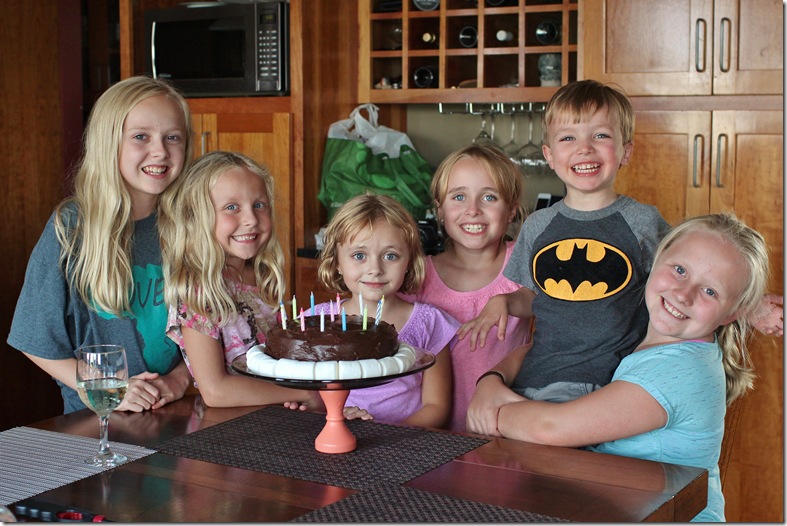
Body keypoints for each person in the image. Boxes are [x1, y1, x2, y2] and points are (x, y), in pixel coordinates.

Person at [475, 213, 772, 522]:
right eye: (680, 270)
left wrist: (491, 410)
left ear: (731, 314)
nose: (683, 295)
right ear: (655, 259)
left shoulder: (679, 371)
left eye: (710, 291)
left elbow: (548, 428)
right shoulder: (646, 331)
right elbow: (548, 350)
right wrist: (491, 382)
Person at [462, 79, 671, 407]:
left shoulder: (643, 221)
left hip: (612, 384)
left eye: (600, 136)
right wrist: (505, 302)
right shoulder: (538, 225)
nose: (584, 148)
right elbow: (538, 297)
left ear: (626, 151)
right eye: (568, 138)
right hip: (538, 377)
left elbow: (684, 281)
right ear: (549, 155)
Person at [8, 76, 195, 413]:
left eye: (173, 137)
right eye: (141, 136)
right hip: (96, 420)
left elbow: (219, 330)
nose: (160, 151)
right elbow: (32, 339)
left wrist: (180, 380)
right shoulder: (71, 227)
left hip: (178, 412)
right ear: (108, 143)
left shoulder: (194, 225)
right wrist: (109, 388)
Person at [160, 150, 318, 409]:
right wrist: (304, 393)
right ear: (196, 217)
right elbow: (216, 391)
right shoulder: (198, 292)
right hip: (231, 426)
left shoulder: (262, 277)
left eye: (259, 205)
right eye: (232, 207)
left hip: (275, 416)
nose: (251, 220)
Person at [403, 144, 532, 432]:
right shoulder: (417, 275)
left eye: (489, 197)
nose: (473, 210)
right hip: (430, 434)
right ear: (439, 209)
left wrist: (507, 300)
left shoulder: (523, 261)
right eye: (458, 197)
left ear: (511, 210)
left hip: (503, 431)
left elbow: (546, 303)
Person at [315, 193, 459, 428]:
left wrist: (387, 434)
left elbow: (436, 407)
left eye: (390, 256)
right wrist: (335, 418)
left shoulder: (428, 323)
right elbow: (308, 397)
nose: (375, 269)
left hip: (404, 444)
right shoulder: (315, 322)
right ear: (337, 262)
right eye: (359, 255)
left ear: (409, 262)